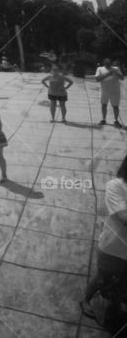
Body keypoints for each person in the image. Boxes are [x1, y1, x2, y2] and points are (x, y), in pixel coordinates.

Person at [82, 153, 127, 320]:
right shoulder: (116, 186)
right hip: (113, 248)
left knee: (122, 281)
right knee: (102, 276)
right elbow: (123, 217)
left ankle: (116, 299)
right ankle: (86, 300)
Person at [96, 58, 125, 128]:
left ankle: (116, 120)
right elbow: (97, 79)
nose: (108, 64)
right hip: (104, 90)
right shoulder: (100, 69)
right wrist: (108, 74)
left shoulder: (116, 69)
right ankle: (103, 119)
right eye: (106, 63)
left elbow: (122, 78)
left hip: (115, 91)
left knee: (115, 106)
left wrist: (115, 72)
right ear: (104, 63)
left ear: (111, 63)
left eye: (109, 63)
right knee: (104, 105)